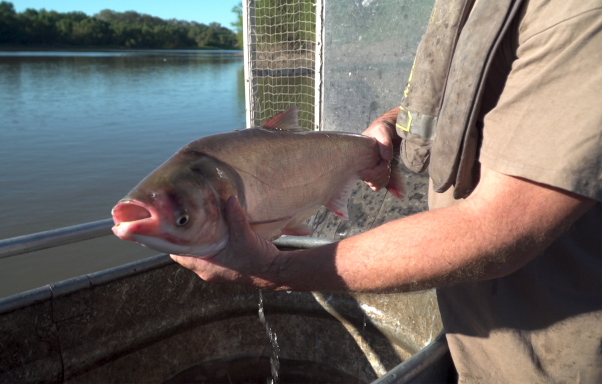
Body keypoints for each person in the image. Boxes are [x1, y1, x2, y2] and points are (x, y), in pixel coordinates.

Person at [172, 0, 602, 382]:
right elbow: (467, 100)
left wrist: (276, 269)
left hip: (557, 360)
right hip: (474, 340)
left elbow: (501, 225)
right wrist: (395, 126)